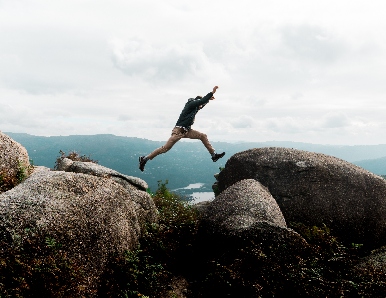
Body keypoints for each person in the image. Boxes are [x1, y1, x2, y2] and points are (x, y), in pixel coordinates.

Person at [139, 85, 225, 172]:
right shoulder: (190, 104)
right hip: (178, 131)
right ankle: (145, 158)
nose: (200, 107)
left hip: (187, 131)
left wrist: (208, 100)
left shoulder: (194, 108)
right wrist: (212, 93)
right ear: (197, 102)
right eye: (200, 105)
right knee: (165, 148)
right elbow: (202, 101)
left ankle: (213, 155)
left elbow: (202, 103)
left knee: (203, 136)